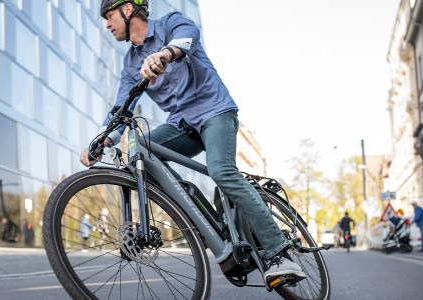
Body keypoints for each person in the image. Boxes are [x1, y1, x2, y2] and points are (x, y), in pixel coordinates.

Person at [80, 0, 305, 286]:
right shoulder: (130, 64)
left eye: (109, 16)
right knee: (139, 151)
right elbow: (121, 108)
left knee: (221, 170)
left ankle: (280, 252)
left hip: (215, 112)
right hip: (182, 125)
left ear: (128, 10)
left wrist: (164, 54)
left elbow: (186, 39)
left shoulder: (171, 24)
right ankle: (196, 210)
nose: (107, 25)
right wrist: (101, 139)